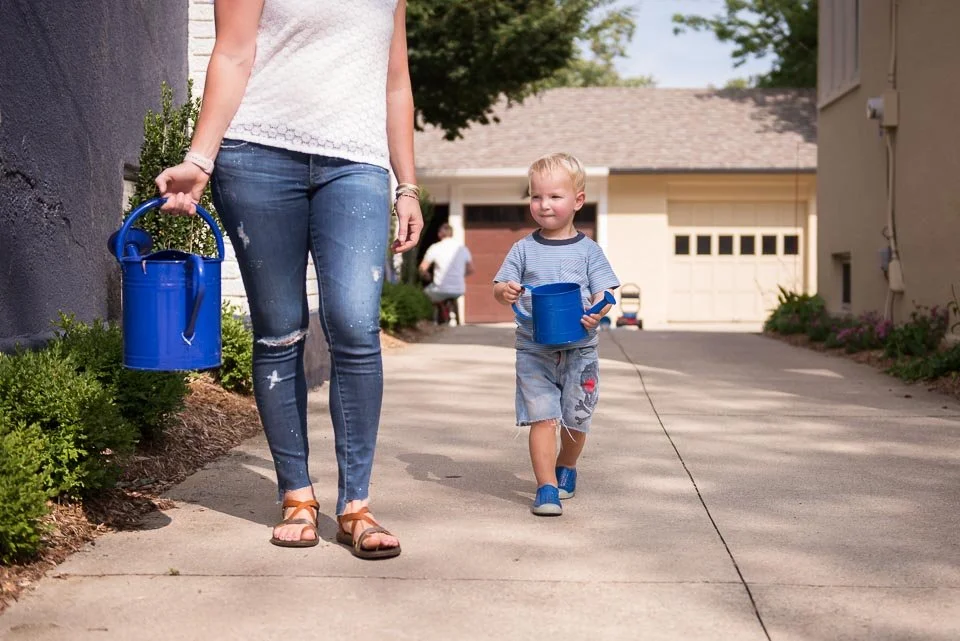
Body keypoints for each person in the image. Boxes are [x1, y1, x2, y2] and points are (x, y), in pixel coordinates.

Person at [154, 0, 423, 558]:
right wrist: (200, 159)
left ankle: (356, 505)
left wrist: (408, 186)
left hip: (356, 162)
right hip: (256, 155)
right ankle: (297, 496)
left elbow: (396, 83)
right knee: (279, 330)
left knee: (355, 325)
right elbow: (232, 53)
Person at [492, 153, 619, 516]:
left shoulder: (589, 250)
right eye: (536, 196)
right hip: (534, 349)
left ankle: (567, 465)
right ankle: (546, 486)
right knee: (543, 417)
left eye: (554, 196)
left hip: (580, 349)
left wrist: (598, 310)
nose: (544, 204)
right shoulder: (523, 249)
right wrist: (506, 292)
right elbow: (499, 286)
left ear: (578, 200)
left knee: (576, 418)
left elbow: (605, 291)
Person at [419, 224, 473, 324]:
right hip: (459, 290)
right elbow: (470, 269)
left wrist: (427, 276)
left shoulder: (435, 247)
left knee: (424, 293)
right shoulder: (462, 248)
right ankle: (456, 320)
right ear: (452, 234)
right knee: (449, 295)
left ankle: (430, 320)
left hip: (440, 289)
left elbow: (422, 268)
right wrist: (459, 274)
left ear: (440, 234)